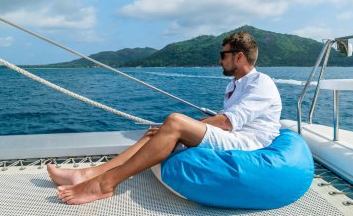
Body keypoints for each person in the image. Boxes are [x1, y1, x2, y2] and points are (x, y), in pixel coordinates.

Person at [47, 30, 282, 204]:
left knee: (174, 122)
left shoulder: (262, 83)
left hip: (248, 143)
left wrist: (180, 127)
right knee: (157, 132)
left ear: (239, 57)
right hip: (233, 135)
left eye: (223, 54)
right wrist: (172, 130)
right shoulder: (235, 85)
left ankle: (104, 184)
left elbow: (227, 121)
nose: (220, 60)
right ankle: (86, 174)